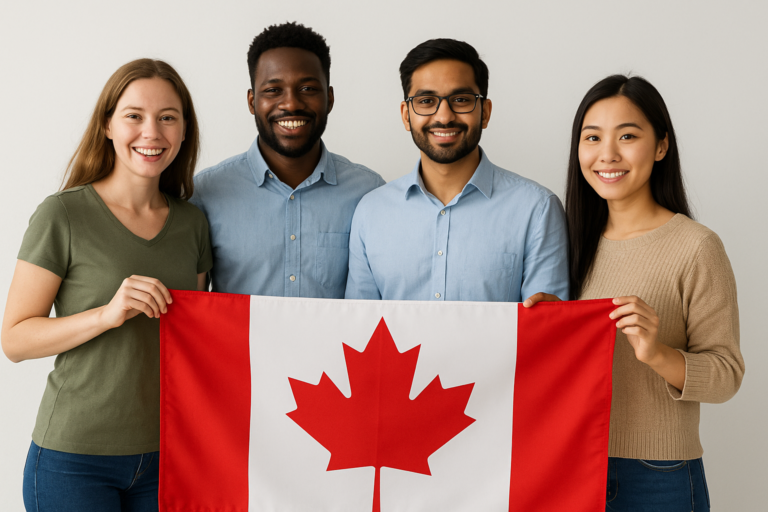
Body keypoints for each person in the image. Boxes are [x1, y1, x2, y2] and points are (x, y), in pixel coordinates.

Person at [1, 59, 212, 512]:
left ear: (183, 130)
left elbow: (191, 336)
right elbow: (14, 340)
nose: (151, 132)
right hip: (73, 460)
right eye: (134, 115)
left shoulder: (193, 223)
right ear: (108, 125)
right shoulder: (62, 215)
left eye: (167, 117)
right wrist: (105, 314)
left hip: (170, 457)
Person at [526, 75, 744, 511]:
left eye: (627, 136)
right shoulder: (567, 241)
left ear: (661, 146)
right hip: (569, 462)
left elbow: (727, 375)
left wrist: (656, 352)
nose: (608, 154)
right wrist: (553, 324)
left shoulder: (697, 246)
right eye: (593, 137)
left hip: (657, 473)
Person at [345, 38, 568, 302]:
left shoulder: (537, 209)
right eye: (426, 101)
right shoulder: (371, 212)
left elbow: (549, 330)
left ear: (484, 112)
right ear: (406, 115)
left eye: (461, 99)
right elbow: (361, 328)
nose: (444, 116)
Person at [191, 22, 384, 298]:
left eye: (307, 88)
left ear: (329, 98)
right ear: (251, 101)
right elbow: (191, 304)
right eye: (273, 90)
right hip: (235, 343)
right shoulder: (205, 194)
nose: (291, 104)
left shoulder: (370, 193)